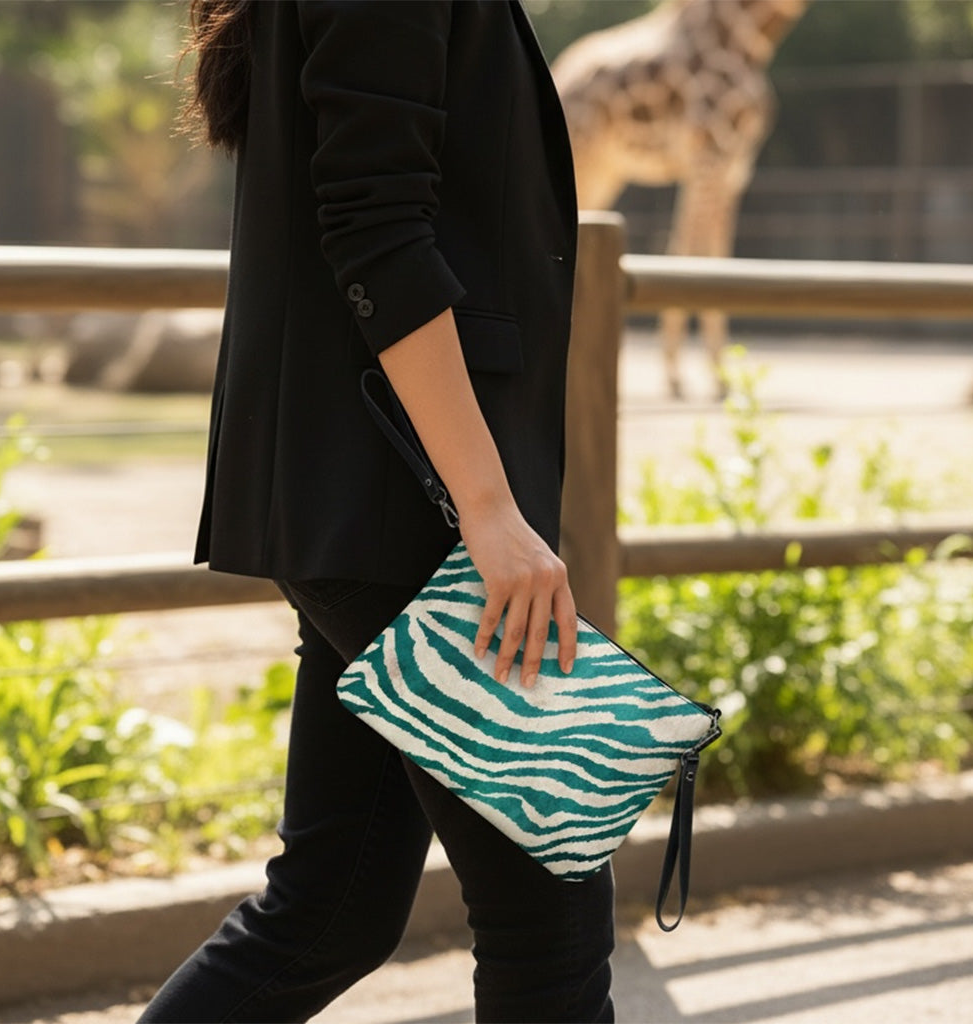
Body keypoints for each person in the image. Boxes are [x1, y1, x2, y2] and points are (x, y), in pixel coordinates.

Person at [138, 1, 615, 1021]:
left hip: (369, 488)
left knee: (332, 907)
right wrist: (488, 511)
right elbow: (375, 222)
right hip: (400, 493)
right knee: (551, 908)